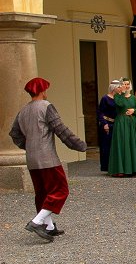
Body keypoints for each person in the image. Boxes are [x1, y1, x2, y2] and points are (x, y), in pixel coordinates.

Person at [9, 77, 87, 242]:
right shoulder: (46, 107)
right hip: (47, 158)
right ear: (43, 90)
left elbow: (14, 134)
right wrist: (79, 145)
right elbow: (61, 130)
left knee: (42, 192)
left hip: (31, 158)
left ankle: (49, 226)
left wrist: (28, 145)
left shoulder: (23, 110)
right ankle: (37, 222)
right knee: (60, 189)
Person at [108, 78, 136, 177]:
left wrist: (133, 110)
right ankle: (121, 169)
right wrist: (122, 93)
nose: (126, 86)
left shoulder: (133, 98)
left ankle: (134, 168)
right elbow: (120, 104)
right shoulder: (117, 96)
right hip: (121, 122)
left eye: (127, 84)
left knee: (132, 143)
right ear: (121, 85)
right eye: (124, 84)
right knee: (122, 143)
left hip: (131, 122)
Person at [97, 80, 121, 172]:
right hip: (107, 124)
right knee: (106, 146)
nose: (120, 89)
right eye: (118, 87)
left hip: (116, 124)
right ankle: (106, 166)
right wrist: (104, 123)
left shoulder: (119, 99)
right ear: (114, 88)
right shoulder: (105, 98)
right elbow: (100, 112)